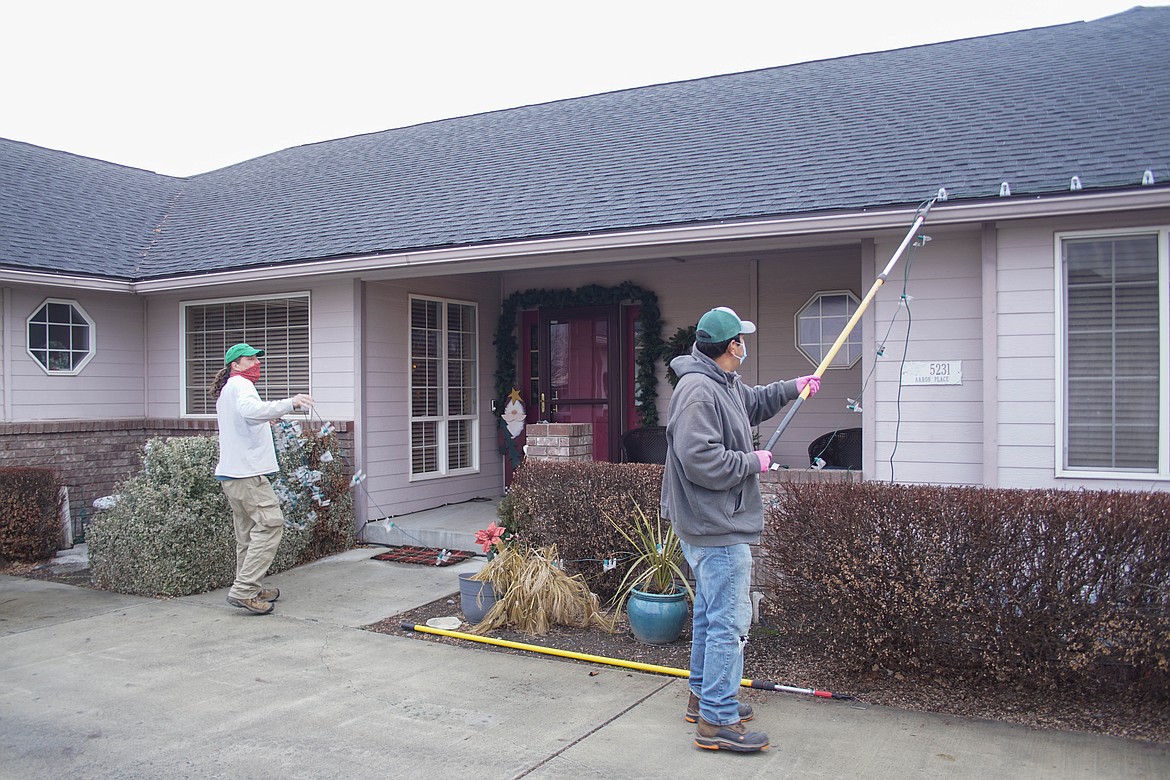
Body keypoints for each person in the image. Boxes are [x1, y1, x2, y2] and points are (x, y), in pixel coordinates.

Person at [661, 307, 820, 753]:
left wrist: (794, 388)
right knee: (729, 623)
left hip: (713, 522)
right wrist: (754, 461)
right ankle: (717, 721)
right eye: (742, 339)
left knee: (712, 617)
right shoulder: (698, 393)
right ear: (732, 346)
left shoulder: (721, 381)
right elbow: (701, 461)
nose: (744, 344)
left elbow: (752, 401)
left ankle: (703, 698)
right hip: (716, 525)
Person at [208, 343, 315, 615]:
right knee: (270, 525)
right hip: (247, 475)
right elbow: (250, 410)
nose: (256, 363)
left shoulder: (228, 390)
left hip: (233, 475)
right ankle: (244, 590)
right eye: (250, 359)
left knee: (247, 535)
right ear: (236, 365)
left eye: (257, 358)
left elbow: (245, 418)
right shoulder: (240, 386)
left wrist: (266, 421)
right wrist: (289, 403)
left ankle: (250, 587)